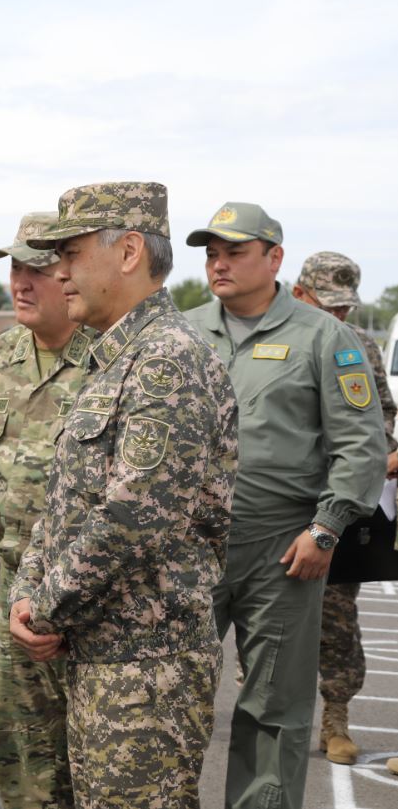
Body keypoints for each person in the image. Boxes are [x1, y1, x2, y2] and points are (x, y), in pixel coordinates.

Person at [9, 181, 239, 809]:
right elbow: (62, 503)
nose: (58, 272)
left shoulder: (166, 359)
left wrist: (45, 606)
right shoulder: (113, 358)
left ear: (130, 250)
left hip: (146, 667)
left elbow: (136, 516)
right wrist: (29, 590)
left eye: (72, 254)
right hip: (103, 657)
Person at [183, 204, 387, 809]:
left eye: (234, 252)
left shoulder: (327, 337)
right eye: (211, 253)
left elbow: (362, 446)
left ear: (274, 258)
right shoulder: (181, 332)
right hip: (187, 546)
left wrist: (325, 530)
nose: (219, 264)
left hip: (282, 548)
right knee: (169, 696)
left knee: (275, 704)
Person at [0, 211, 94, 809]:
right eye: (15, 268)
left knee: (94, 751)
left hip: (92, 593)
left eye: (37, 268)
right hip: (13, 584)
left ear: (69, 273)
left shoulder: (109, 360)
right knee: (24, 748)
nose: (20, 282)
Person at [292, 251, 398, 765]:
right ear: (298, 294)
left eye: (345, 311)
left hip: (338, 509)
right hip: (274, 505)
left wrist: (385, 453)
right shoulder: (268, 342)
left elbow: (381, 416)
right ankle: (264, 718)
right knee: (263, 620)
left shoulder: (361, 348)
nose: (338, 320)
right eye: (327, 307)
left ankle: (335, 720)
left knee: (336, 617)